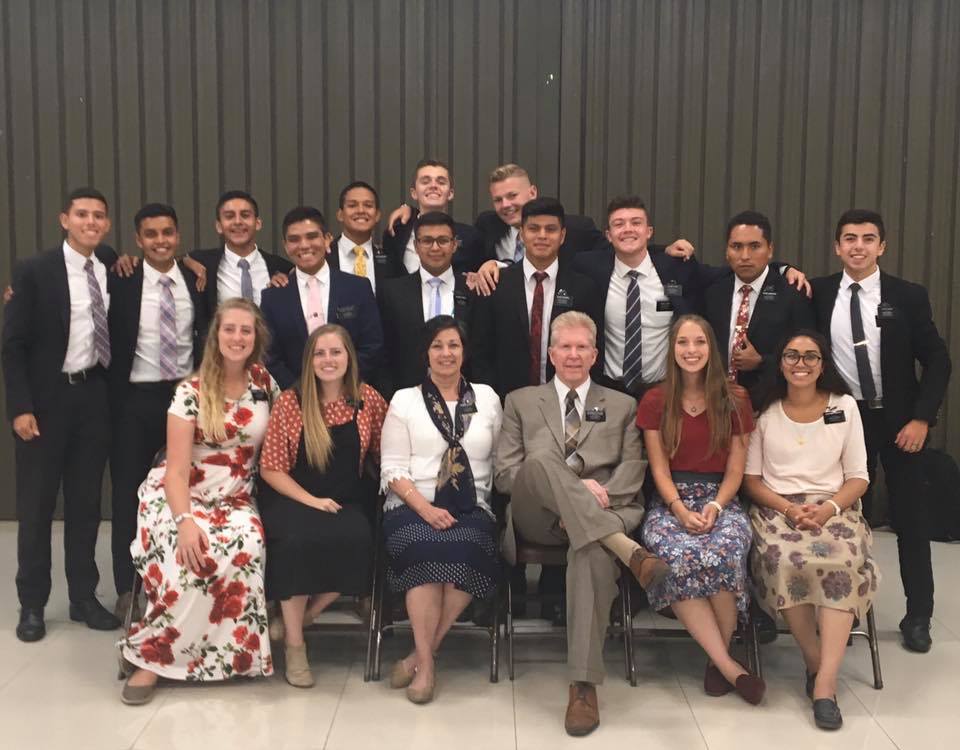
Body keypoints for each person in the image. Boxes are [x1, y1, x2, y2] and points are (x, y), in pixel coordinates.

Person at [495, 311, 669, 737]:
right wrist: (573, 487)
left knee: (591, 551)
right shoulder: (520, 401)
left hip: (603, 512)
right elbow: (505, 475)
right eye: (565, 347)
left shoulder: (623, 405)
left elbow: (633, 471)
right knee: (540, 460)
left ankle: (583, 687)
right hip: (538, 516)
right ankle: (628, 550)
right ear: (551, 353)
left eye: (581, 347)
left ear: (594, 354)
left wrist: (590, 497)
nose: (573, 355)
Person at [117, 299, 279, 705]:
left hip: (235, 497)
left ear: (256, 337)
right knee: (188, 552)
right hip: (180, 494)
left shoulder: (265, 384)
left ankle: (224, 657)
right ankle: (151, 658)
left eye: (246, 330)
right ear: (215, 336)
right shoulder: (190, 391)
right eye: (229, 329)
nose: (237, 338)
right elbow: (174, 471)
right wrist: (185, 520)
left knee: (246, 546)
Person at [811, 209, 950, 653]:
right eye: (850, 238)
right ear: (837, 247)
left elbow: (938, 360)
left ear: (882, 246)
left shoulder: (907, 296)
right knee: (849, 519)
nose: (859, 246)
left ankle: (919, 615)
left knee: (911, 518)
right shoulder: (818, 292)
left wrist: (922, 418)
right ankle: (847, 611)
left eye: (868, 238)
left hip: (900, 421)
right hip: (844, 422)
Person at [743, 330, 879, 730]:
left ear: (823, 364)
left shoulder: (844, 406)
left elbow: (859, 476)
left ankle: (824, 684)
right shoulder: (765, 411)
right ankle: (816, 662)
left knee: (842, 562)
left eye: (810, 356)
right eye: (792, 355)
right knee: (786, 560)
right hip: (777, 509)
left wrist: (827, 509)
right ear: (780, 362)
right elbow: (752, 480)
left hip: (835, 507)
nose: (800, 363)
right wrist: (788, 508)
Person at [3, 187, 122, 642]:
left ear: (106, 224)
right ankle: (32, 603)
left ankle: (83, 597)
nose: (91, 222)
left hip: (92, 397)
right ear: (64, 219)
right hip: (45, 402)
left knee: (86, 504)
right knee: (36, 506)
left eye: (99, 215)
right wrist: (20, 408)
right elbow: (13, 345)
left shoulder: (109, 262)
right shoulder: (35, 271)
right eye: (82, 214)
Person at [636, 314, 763, 705]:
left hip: (720, 498)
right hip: (670, 501)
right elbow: (658, 469)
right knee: (675, 556)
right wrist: (678, 509)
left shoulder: (736, 399)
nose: (691, 350)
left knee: (725, 552)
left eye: (699, 342)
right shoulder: (655, 400)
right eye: (683, 343)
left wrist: (716, 506)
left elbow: (736, 470)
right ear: (672, 349)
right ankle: (728, 666)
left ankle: (715, 660)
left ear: (712, 349)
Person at [379, 316, 503, 704]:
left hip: (472, 506)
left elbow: (498, 459)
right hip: (411, 505)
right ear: (425, 354)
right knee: (425, 550)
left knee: (469, 550)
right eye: (437, 346)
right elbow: (392, 468)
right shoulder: (405, 400)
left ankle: (418, 656)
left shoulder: (487, 398)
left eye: (453, 345)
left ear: (464, 352)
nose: (446, 353)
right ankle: (428, 668)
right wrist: (425, 509)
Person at [259, 324, 388, 687]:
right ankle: (295, 647)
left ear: (349, 357)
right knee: (296, 544)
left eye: (336, 352)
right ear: (309, 360)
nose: (328, 360)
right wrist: (312, 501)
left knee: (363, 541)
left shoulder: (367, 399)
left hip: (345, 500)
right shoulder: (291, 402)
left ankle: (305, 617)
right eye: (320, 353)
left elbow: (387, 450)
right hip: (294, 497)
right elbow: (270, 468)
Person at [107, 203, 209, 621]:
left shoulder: (195, 278)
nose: (160, 241)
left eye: (167, 232)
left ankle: (178, 581)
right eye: (151, 234)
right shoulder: (121, 278)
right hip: (135, 399)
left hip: (185, 398)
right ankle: (127, 589)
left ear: (178, 236)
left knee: (186, 489)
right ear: (138, 239)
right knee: (128, 495)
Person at [471, 197, 603, 399]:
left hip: (568, 400)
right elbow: (480, 352)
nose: (542, 236)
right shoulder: (495, 284)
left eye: (550, 229)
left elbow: (595, 350)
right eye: (534, 228)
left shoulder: (584, 288)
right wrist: (492, 399)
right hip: (506, 401)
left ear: (562, 236)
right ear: (522, 234)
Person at [261, 206, 383, 388]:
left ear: (327, 239)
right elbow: (271, 356)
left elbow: (372, 346)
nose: (304, 245)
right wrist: (300, 392)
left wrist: (341, 387)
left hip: (350, 393)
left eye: (312, 236)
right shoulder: (273, 297)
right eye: (294, 239)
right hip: (296, 397)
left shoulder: (357, 287)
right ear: (285, 246)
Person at [702, 210, 815, 405]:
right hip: (716, 403)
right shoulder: (713, 293)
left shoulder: (793, 295)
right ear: (727, 251)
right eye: (736, 246)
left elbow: (809, 354)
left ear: (770, 250)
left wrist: (762, 361)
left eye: (754, 246)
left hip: (772, 403)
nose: (745, 256)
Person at [378, 211, 477, 397]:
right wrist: (391, 396)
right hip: (408, 397)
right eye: (427, 241)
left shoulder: (473, 290)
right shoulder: (392, 292)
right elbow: (384, 353)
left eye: (443, 240)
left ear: (454, 245)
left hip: (464, 397)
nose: (435, 247)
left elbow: (483, 352)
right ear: (416, 246)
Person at [189, 190, 293, 307]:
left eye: (245, 215)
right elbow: (174, 259)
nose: (238, 222)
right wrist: (187, 260)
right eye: (229, 216)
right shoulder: (202, 263)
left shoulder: (283, 268)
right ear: (219, 226)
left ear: (258, 223)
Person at [380, 159, 485, 274]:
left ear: (450, 193)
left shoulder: (471, 237)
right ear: (414, 193)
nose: (433, 186)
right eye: (425, 182)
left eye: (441, 182)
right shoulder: (396, 233)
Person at [326, 181, 402, 293]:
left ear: (377, 215)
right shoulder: (324, 257)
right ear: (340, 215)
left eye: (368, 205)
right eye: (352, 205)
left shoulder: (391, 262)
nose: (361, 211)